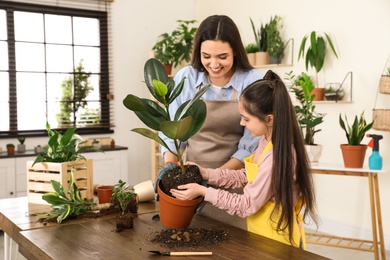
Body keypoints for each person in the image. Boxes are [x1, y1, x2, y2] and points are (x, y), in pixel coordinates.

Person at [170, 70, 318, 249]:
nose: (241, 123)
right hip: (262, 235)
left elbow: (247, 204)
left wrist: (203, 192)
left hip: (278, 242)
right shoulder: (266, 141)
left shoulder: (277, 156)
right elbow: (247, 176)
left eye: (246, 119)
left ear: (269, 119)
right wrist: (207, 173)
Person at [156, 14, 263, 228]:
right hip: (192, 182)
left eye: (222, 56)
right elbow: (173, 128)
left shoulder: (252, 81)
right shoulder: (187, 77)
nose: (213, 64)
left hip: (236, 180)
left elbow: (251, 144)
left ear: (235, 51)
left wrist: (214, 179)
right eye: (206, 56)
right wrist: (172, 167)